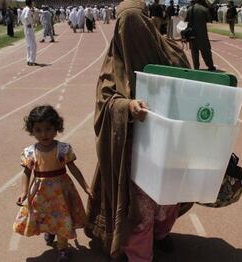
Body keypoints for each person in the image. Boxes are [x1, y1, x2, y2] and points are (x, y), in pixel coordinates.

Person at [84, 0, 193, 261]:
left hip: (169, 146)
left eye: (139, 25)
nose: (133, 34)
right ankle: (139, 254)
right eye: (126, 26)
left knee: (167, 200)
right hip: (132, 152)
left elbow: (193, 89)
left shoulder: (173, 54)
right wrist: (127, 106)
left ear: (149, 22)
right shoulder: (113, 66)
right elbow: (106, 103)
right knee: (139, 208)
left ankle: (160, 234)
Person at [13, 105, 93, 262]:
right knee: (44, 215)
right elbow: (26, 173)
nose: (44, 134)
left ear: (57, 127)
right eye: (38, 130)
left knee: (62, 218)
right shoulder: (30, 152)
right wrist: (24, 192)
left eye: (48, 128)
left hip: (61, 192)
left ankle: (62, 249)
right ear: (32, 130)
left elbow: (74, 169)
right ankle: (50, 231)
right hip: (41, 193)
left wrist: (86, 186)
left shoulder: (63, 149)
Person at [185, 0, 216, 71]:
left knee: (194, 52)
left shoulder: (190, 9)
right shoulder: (204, 9)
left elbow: (186, 19)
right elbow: (209, 19)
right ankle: (210, 66)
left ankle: (196, 67)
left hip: (192, 34)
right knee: (206, 51)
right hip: (202, 34)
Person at [21, 0, 37, 66]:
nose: (33, 3)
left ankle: (28, 59)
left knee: (28, 45)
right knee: (33, 45)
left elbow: (21, 18)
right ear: (30, 3)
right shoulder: (28, 9)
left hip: (25, 27)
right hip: (29, 28)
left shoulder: (25, 9)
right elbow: (26, 17)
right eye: (32, 2)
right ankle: (31, 61)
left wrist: (25, 23)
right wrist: (29, 23)